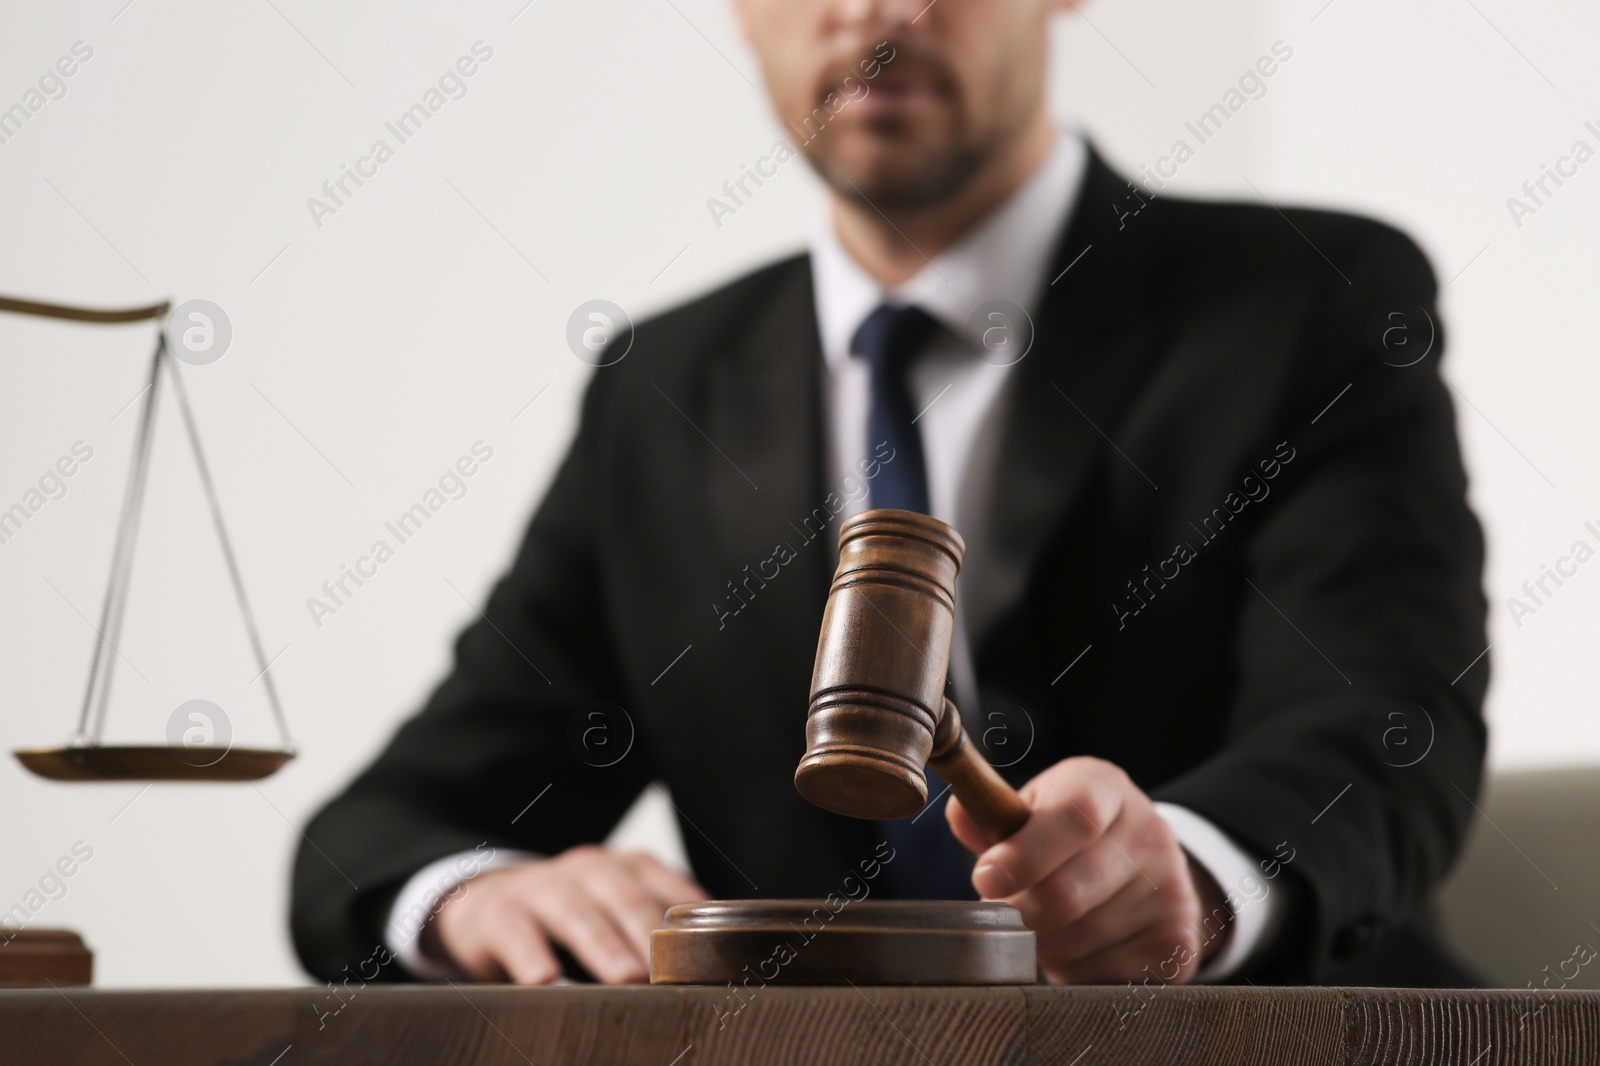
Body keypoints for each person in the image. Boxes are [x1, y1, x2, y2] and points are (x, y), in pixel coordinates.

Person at [291, 0, 1488, 988]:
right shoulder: (659, 388)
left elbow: (1387, 725)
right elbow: (381, 828)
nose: (871, 13)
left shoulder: (1310, 298)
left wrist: (1194, 879)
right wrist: (476, 891)